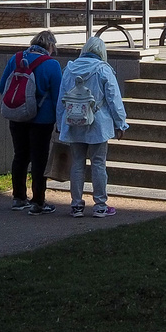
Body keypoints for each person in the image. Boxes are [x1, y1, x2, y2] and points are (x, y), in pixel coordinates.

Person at [56, 35, 128, 218]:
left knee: (77, 163)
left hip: (73, 122)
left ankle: (76, 205)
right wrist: (121, 123)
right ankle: (100, 205)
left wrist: (59, 123)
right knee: (98, 163)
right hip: (98, 124)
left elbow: (61, 100)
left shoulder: (70, 69)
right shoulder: (103, 70)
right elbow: (114, 99)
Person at [0, 30, 62, 215]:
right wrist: (61, 121)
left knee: (20, 156)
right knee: (39, 160)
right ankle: (38, 202)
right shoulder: (52, 65)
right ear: (50, 46)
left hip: (17, 115)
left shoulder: (16, 59)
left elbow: (3, 87)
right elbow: (58, 96)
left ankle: (18, 198)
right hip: (42, 120)